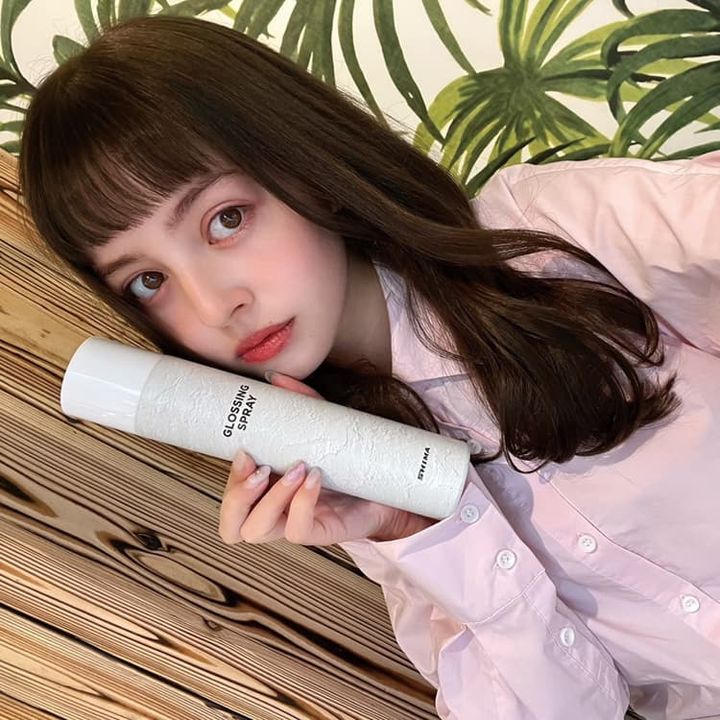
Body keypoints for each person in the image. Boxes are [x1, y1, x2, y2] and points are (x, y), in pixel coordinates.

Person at [19, 14, 720, 720]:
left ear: (306, 169)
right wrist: (422, 533)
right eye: (148, 281)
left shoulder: (543, 234)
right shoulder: (356, 488)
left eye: (225, 219)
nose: (214, 305)